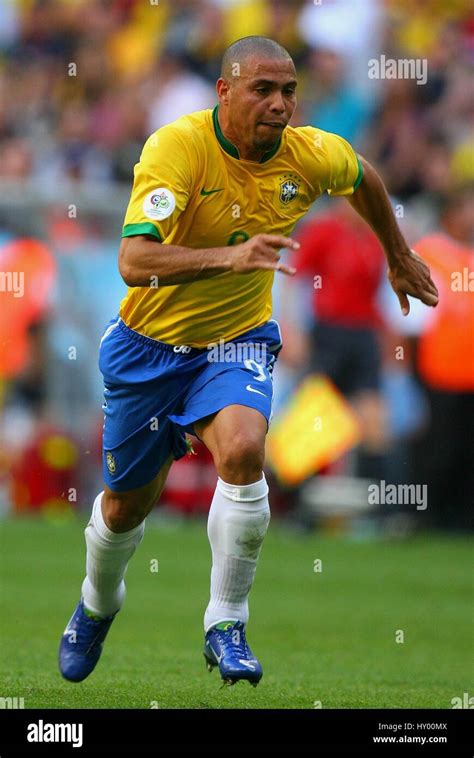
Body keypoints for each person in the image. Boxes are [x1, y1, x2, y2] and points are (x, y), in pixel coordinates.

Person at [59, 36, 438, 687]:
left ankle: (226, 622)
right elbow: (134, 261)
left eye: (288, 90)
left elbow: (363, 176)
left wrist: (397, 253)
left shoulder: (309, 153)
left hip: (237, 340)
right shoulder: (177, 148)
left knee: (243, 449)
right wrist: (228, 257)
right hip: (148, 350)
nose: (280, 104)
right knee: (126, 505)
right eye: (263, 90)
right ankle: (97, 605)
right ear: (225, 92)